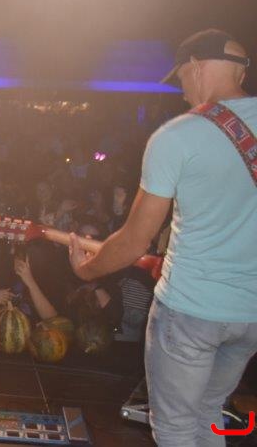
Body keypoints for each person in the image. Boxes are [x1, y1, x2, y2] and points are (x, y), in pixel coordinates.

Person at [68, 29, 257, 447]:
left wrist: (86, 270)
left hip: (192, 310)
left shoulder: (178, 136)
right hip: (251, 314)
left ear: (196, 67)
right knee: (209, 413)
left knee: (175, 428)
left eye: (181, 77)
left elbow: (135, 240)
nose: (182, 90)